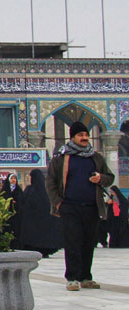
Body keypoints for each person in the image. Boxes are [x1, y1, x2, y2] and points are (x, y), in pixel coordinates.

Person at [45, 121, 116, 291]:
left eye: (86, 135)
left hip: (91, 206)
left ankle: (85, 276)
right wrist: (59, 203)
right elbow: (51, 182)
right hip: (70, 206)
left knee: (88, 242)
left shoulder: (95, 158)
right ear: (73, 137)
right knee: (72, 242)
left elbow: (110, 177)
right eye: (81, 135)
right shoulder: (62, 158)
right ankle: (72, 278)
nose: (85, 138)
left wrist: (101, 178)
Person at [18, 169, 62, 257]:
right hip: (45, 221)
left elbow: (24, 203)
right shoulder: (47, 191)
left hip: (32, 221)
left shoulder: (30, 190)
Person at [0, 173, 23, 248]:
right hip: (7, 214)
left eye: (15, 178)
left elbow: (22, 200)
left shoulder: (19, 190)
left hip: (16, 215)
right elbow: (2, 199)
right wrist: (9, 202)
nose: (13, 180)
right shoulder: (4, 190)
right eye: (12, 178)